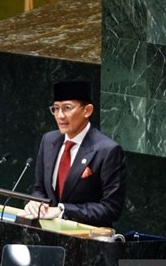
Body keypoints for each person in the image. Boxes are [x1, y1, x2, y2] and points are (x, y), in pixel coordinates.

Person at [21, 80, 126, 227]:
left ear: (87, 110)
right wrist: (36, 202)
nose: (60, 115)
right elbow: (40, 189)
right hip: (46, 232)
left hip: (86, 239)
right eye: (56, 108)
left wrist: (62, 210)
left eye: (67, 108)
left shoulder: (107, 150)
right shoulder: (48, 140)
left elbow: (110, 209)